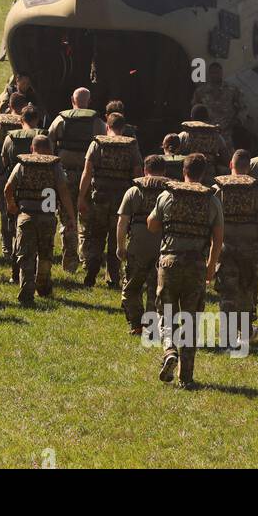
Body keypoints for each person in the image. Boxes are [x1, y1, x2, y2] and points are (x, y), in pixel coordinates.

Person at [146, 153, 224, 388]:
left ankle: (169, 349)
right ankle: (186, 377)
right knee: (191, 320)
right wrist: (211, 267)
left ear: (184, 171)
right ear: (203, 173)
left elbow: (151, 224)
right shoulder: (212, 200)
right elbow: (218, 237)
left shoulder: (168, 195)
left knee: (165, 314)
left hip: (169, 262)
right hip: (196, 265)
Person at [3, 135, 74, 305]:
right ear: (50, 149)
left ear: (31, 148)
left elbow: (8, 188)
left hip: (26, 215)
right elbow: (63, 192)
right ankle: (43, 286)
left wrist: (11, 205)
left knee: (25, 257)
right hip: (47, 216)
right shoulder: (55, 166)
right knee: (45, 254)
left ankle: (26, 294)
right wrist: (71, 217)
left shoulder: (22, 164)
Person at [77, 111, 141, 288]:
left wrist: (81, 197)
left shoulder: (97, 143)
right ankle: (112, 277)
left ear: (107, 126)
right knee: (116, 238)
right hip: (121, 199)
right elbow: (137, 174)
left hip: (100, 197)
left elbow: (87, 172)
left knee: (96, 235)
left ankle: (91, 272)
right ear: (123, 128)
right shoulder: (131, 145)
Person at [212, 150, 258, 333]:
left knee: (227, 290)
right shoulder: (257, 192)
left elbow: (211, 222)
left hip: (224, 247)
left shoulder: (218, 190)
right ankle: (244, 331)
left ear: (231, 165)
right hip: (250, 249)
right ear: (248, 168)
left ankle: (228, 334)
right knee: (247, 289)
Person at [47, 88, 105, 273]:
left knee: (67, 218)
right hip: (89, 177)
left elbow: (48, 144)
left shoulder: (61, 120)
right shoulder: (97, 123)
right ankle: (86, 258)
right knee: (88, 218)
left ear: (72, 100)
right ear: (89, 101)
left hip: (65, 175)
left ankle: (70, 263)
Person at [116, 155, 170, 335]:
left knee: (131, 286)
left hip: (138, 244)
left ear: (145, 171)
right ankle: (152, 325)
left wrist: (120, 246)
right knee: (156, 288)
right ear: (164, 172)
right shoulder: (171, 191)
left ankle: (136, 323)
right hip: (163, 245)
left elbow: (122, 222)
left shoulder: (133, 191)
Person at [0, 104, 45, 283]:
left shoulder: (10, 138)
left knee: (16, 232)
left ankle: (15, 273)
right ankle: (38, 273)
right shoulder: (43, 137)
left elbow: (4, 161)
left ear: (20, 120)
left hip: (18, 190)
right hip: (42, 192)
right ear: (37, 120)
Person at [0, 93, 28, 262]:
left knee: (5, 209)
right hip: (27, 174)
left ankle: (6, 245)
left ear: (9, 105)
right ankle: (21, 243)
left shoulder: (0, 124)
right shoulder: (29, 125)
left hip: (5, 172)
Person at [191, 61, 245, 144]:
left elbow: (243, 107)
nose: (215, 75)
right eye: (212, 72)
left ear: (221, 73)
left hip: (227, 133)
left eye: (217, 72)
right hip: (207, 133)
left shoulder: (232, 89)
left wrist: (238, 121)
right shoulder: (201, 91)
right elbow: (195, 110)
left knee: (227, 155)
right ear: (209, 74)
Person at [179, 105, 230, 176]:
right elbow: (226, 158)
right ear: (207, 118)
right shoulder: (217, 136)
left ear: (191, 117)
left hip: (188, 173)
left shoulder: (184, 135)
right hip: (209, 173)